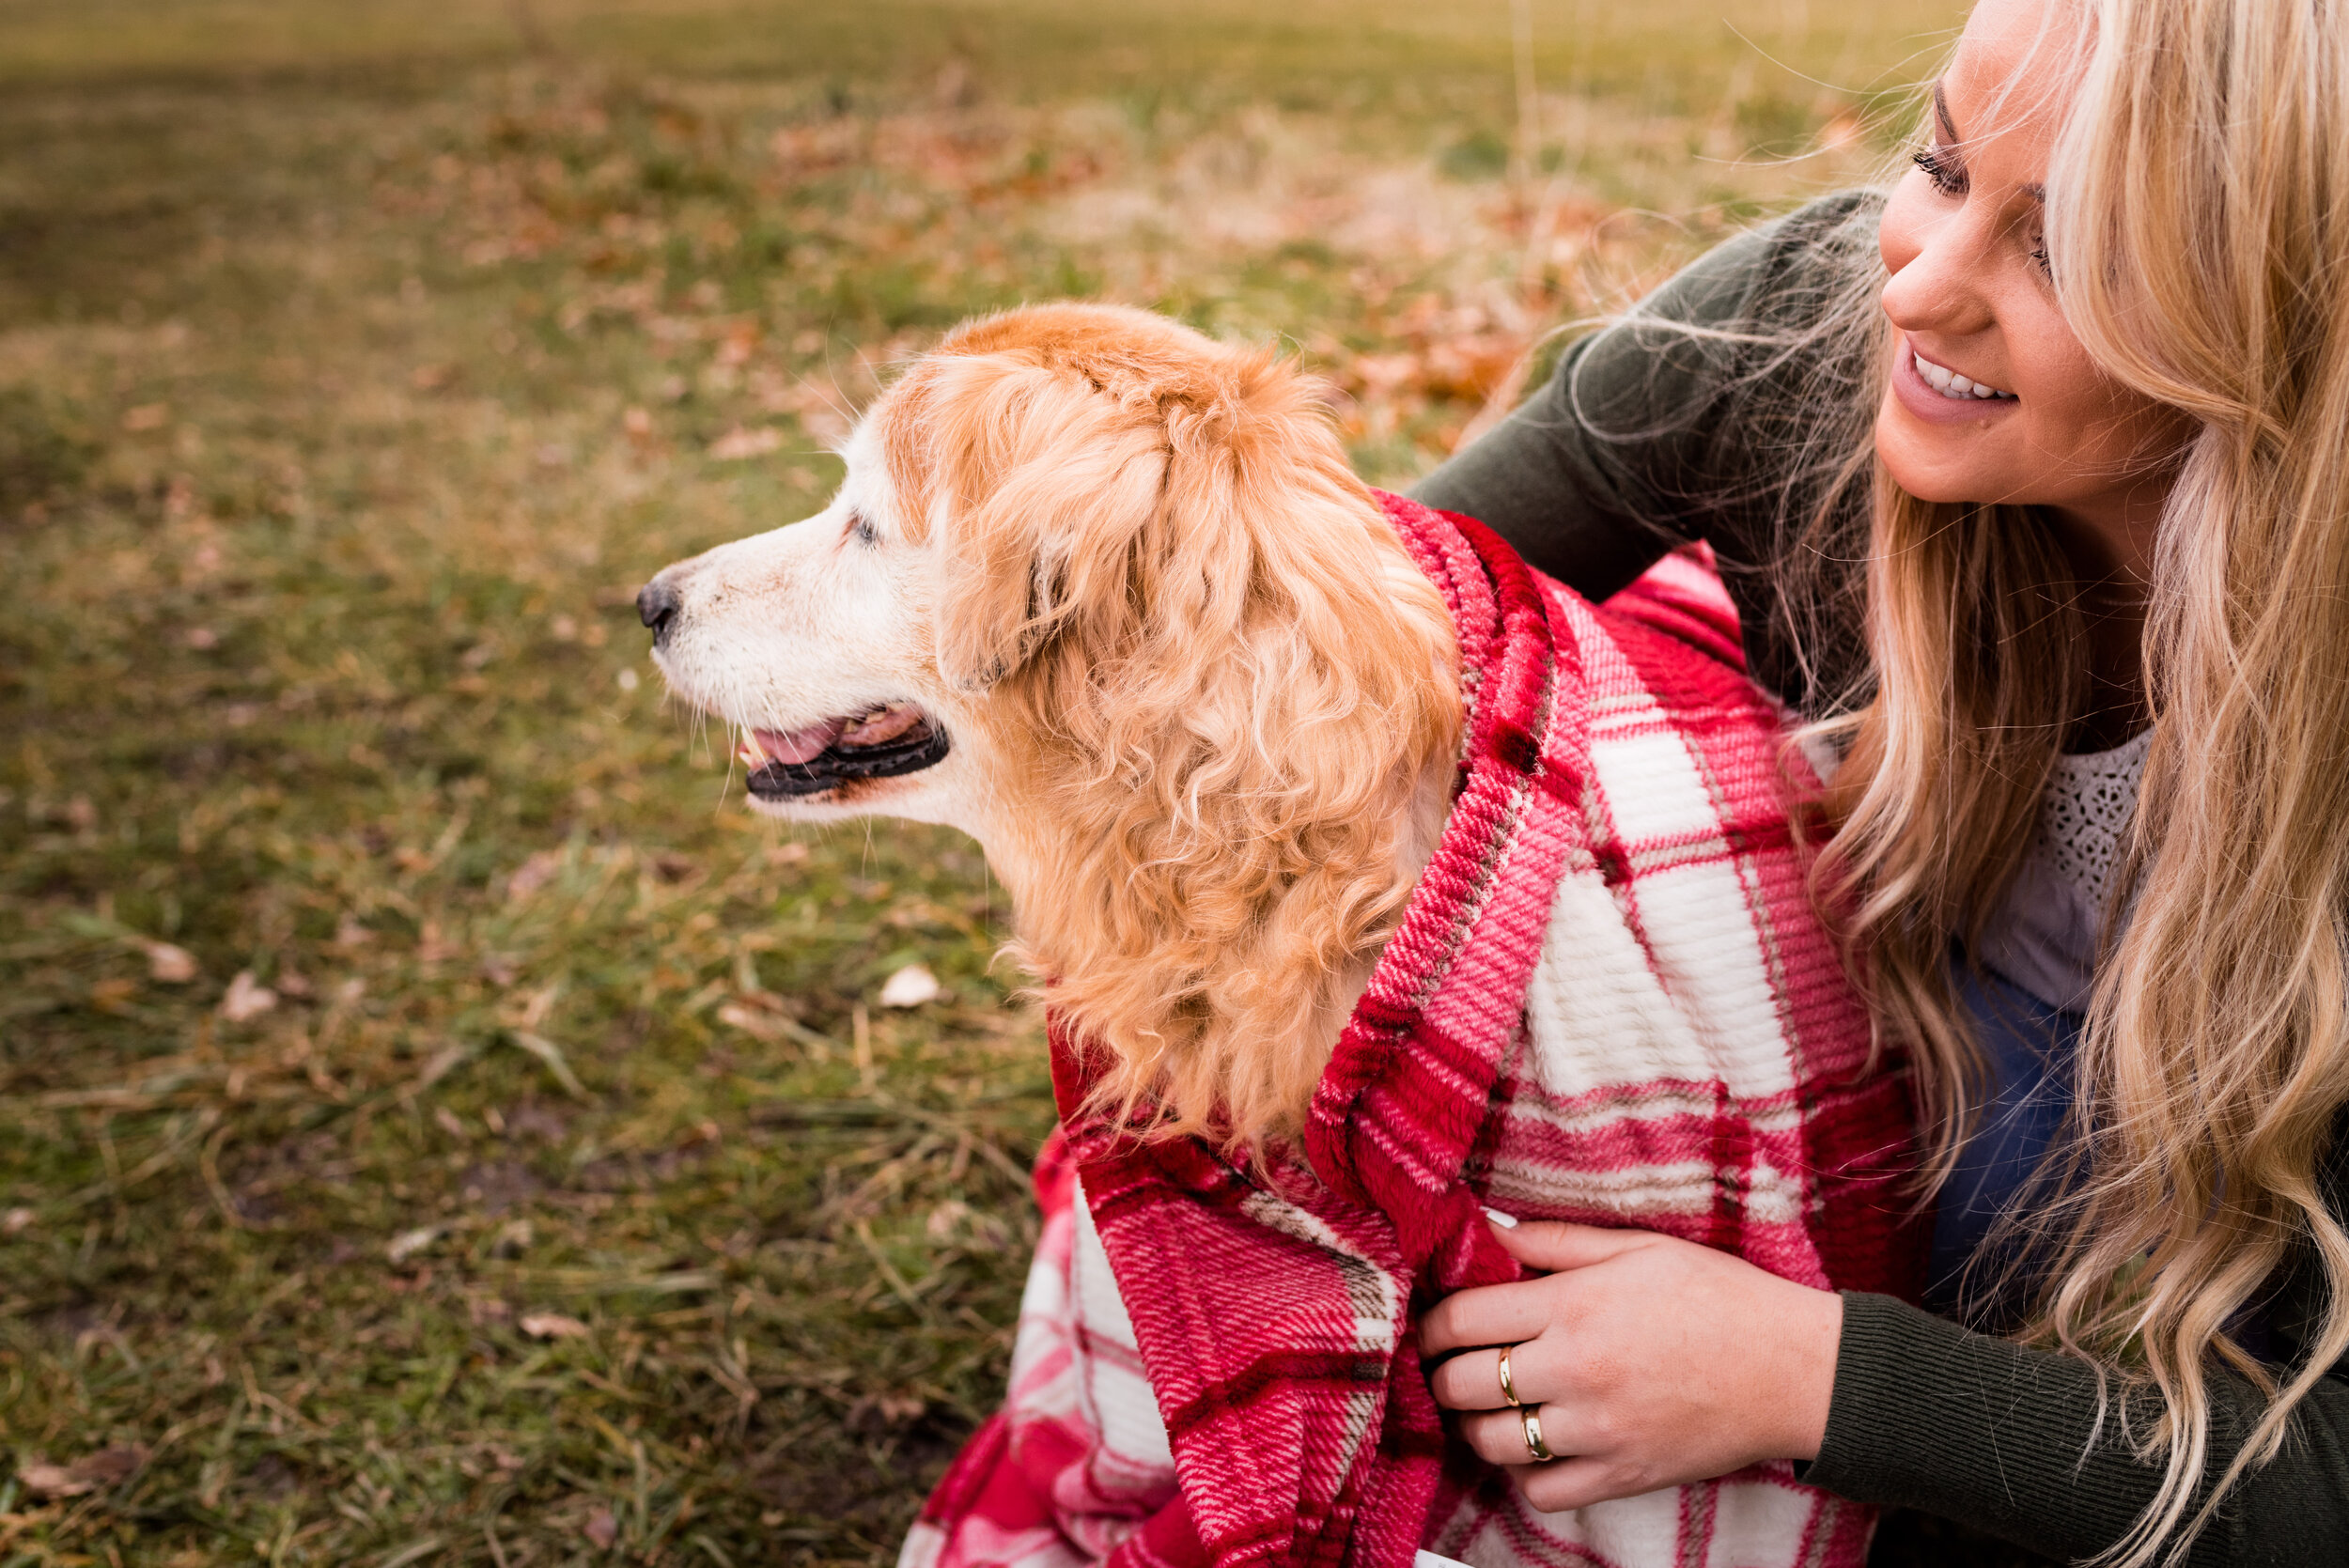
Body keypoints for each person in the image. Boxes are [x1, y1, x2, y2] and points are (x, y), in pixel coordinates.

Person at [1406, 0, 2349, 1563]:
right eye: (1943, 164)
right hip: (1888, 1057)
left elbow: (2321, 1479)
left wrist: (1799, 1372)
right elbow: (1376, 613)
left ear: (2285, 324)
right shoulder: (1807, 327)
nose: (1915, 281)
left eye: (2065, 251)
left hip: (2190, 1280)